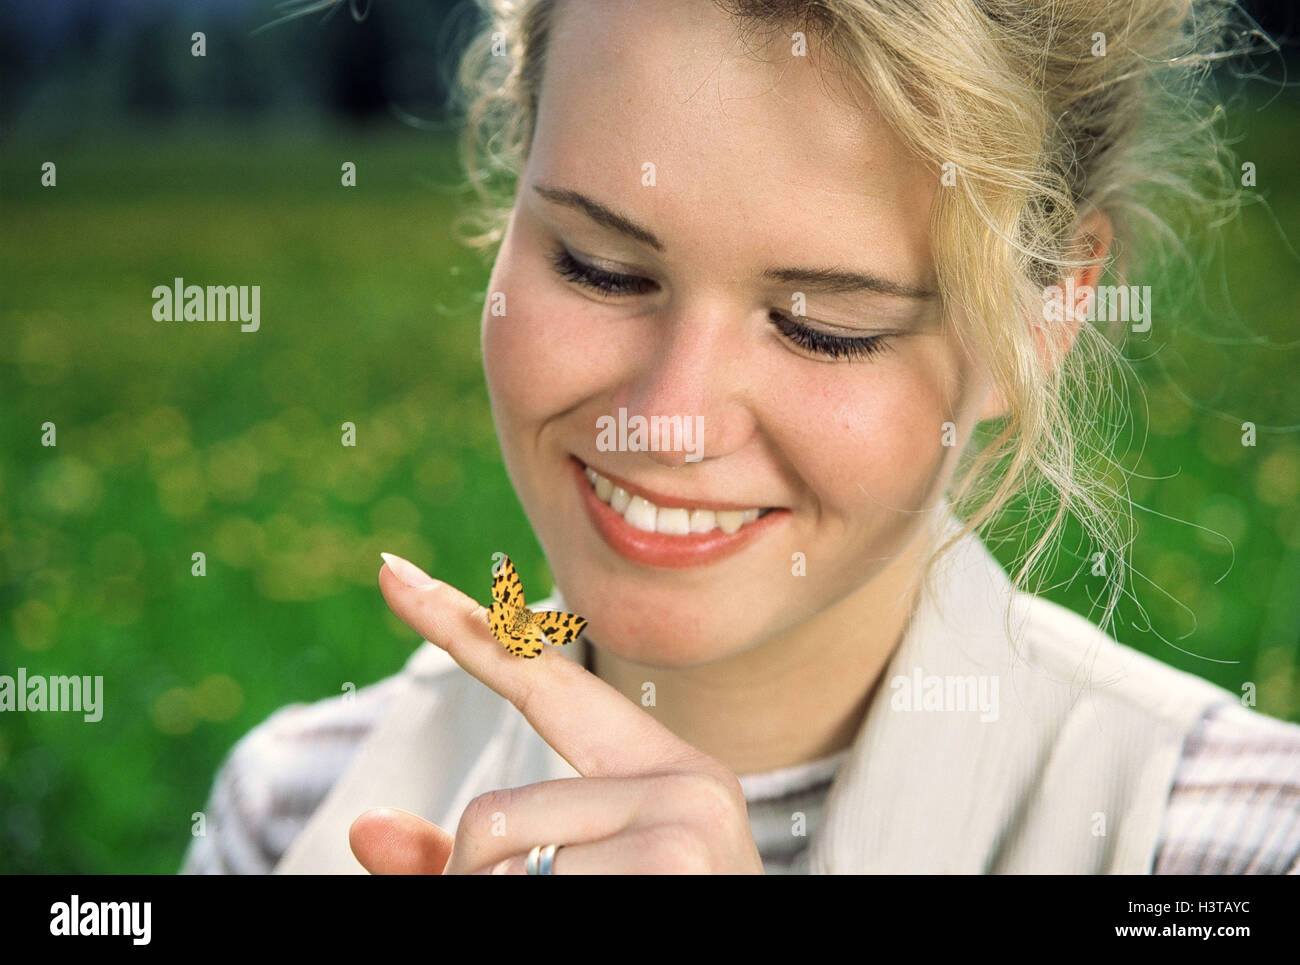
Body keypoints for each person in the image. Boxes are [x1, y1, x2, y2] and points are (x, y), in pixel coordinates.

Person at [183, 0, 1300, 874]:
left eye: (825, 327)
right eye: (598, 266)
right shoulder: (291, 807)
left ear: (1047, 310)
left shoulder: (1233, 840)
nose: (667, 418)